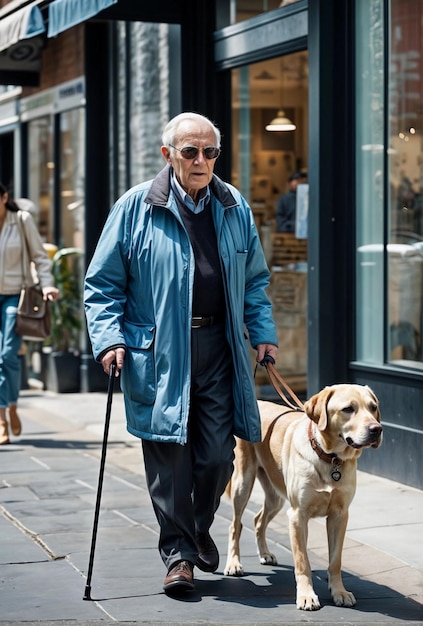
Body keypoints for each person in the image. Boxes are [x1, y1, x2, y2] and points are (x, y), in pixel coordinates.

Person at [84, 112, 278, 595]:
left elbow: (254, 281)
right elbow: (102, 285)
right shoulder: (135, 208)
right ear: (167, 154)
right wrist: (109, 339)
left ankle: (194, 530)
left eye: (209, 152)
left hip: (219, 346)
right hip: (160, 352)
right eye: (190, 152)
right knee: (170, 458)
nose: (201, 161)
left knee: (216, 457)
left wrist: (264, 333)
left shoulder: (233, 206)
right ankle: (180, 557)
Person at [0, 184, 59, 445]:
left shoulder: (21, 220)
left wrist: (46, 283)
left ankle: (7, 409)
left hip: (16, 295)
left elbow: (40, 256)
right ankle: (5, 413)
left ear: (4, 198)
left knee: (6, 354)